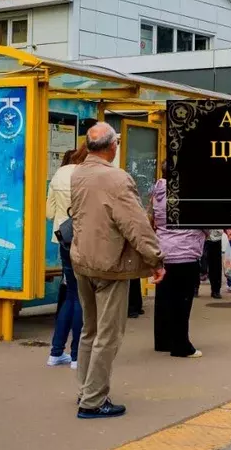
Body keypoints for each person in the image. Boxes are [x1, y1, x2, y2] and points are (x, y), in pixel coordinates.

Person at [70, 123, 164, 419]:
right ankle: (94, 401)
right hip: (109, 264)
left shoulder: (79, 173)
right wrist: (155, 259)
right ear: (112, 147)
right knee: (108, 335)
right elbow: (135, 225)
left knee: (89, 330)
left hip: (81, 259)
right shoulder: (116, 179)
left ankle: (85, 389)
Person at [150, 164, 208, 358]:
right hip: (185, 252)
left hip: (164, 251)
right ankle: (181, 345)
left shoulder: (157, 192)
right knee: (183, 301)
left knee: (165, 298)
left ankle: (163, 340)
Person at [45, 144, 88, 368]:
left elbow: (49, 213)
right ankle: (76, 355)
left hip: (63, 239)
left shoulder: (59, 174)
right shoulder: (85, 174)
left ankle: (55, 352)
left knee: (70, 294)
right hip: (84, 240)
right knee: (81, 297)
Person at [199, 229, 224, 299]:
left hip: (215, 236)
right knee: (197, 262)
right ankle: (194, 288)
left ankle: (216, 290)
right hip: (199, 236)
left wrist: (228, 230)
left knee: (216, 264)